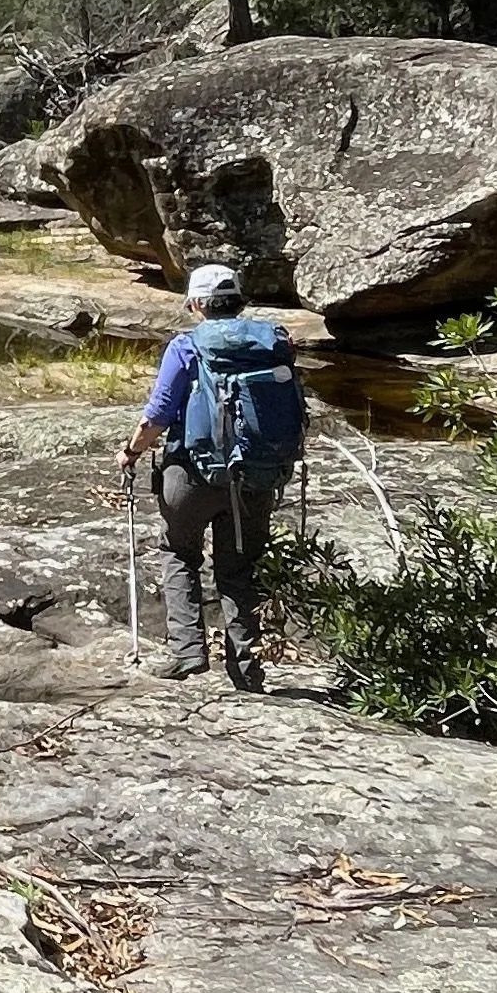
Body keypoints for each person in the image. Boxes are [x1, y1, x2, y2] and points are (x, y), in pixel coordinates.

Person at [124, 261, 306, 691]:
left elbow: (159, 414)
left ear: (196, 303)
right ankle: (247, 670)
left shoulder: (187, 346)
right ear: (238, 300)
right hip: (257, 474)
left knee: (179, 552)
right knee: (239, 567)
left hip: (193, 473)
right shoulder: (273, 340)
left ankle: (188, 654)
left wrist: (131, 452)